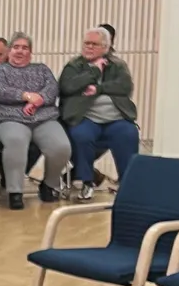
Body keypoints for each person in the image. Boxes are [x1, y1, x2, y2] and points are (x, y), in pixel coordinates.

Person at [0, 32, 67, 210]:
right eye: (16, 47)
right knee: (16, 141)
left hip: (43, 117)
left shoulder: (41, 69)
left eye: (25, 48)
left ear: (31, 52)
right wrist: (25, 96)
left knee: (61, 146)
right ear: (9, 51)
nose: (20, 51)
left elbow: (52, 88)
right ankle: (15, 192)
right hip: (10, 117)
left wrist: (39, 100)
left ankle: (49, 184)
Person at [59, 25, 139, 199]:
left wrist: (99, 89)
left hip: (115, 118)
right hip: (85, 117)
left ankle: (128, 184)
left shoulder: (117, 65)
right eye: (86, 43)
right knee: (81, 135)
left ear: (105, 47)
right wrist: (94, 71)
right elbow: (67, 86)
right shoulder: (74, 65)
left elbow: (125, 87)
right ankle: (87, 182)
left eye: (94, 44)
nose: (89, 47)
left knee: (128, 133)